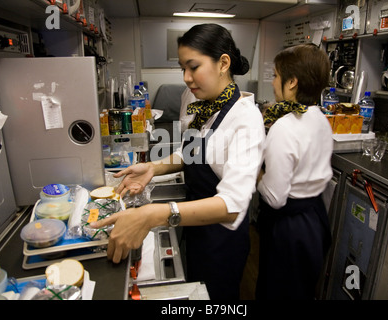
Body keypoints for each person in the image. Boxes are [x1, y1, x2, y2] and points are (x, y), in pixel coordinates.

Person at [91, 23, 265, 300]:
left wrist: (152, 214)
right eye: (182, 68)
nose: (186, 77)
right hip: (194, 221)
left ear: (223, 63)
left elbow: (232, 206)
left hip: (222, 238)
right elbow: (192, 152)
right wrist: (153, 167)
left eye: (193, 67)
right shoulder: (198, 100)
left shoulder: (246, 119)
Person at [255, 44, 333, 300]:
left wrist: (256, 175)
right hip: (315, 219)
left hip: (289, 229)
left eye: (276, 75)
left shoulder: (285, 128)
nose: (273, 81)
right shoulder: (321, 119)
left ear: (292, 82)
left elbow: (275, 197)